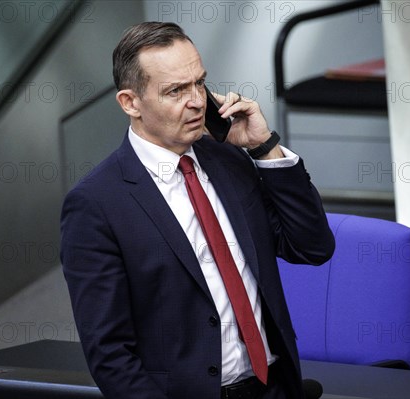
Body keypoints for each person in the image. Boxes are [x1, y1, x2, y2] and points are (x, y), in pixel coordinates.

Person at [60, 21, 334, 399]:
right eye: (175, 90)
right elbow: (110, 355)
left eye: (199, 83)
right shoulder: (96, 204)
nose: (197, 101)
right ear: (130, 102)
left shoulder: (230, 161)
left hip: (275, 386)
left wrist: (263, 148)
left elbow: (312, 247)